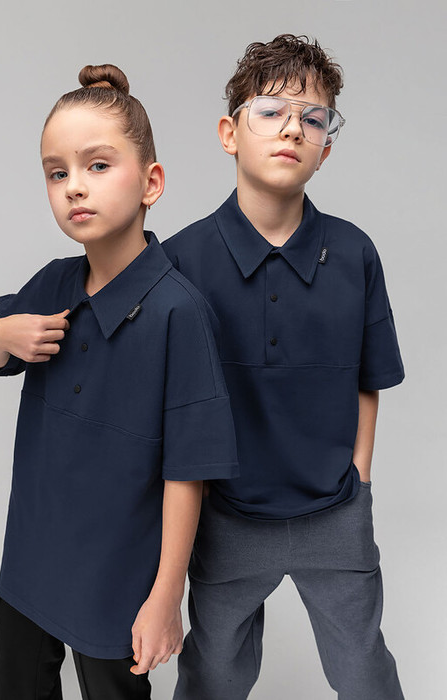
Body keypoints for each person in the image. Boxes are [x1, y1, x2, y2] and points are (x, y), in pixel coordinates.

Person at [0, 64, 238, 700]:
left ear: (152, 183)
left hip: (116, 577)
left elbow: (189, 471)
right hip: (31, 557)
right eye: (56, 172)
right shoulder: (54, 282)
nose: (74, 187)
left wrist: (165, 596)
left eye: (97, 165)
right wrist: (2, 333)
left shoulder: (180, 313)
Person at [161, 35, 405, 699]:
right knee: (212, 675)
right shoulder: (180, 262)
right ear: (229, 133)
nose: (292, 128)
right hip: (227, 517)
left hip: (334, 512)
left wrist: (358, 477)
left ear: (325, 147)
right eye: (270, 112)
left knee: (364, 671)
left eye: (313, 118)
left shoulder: (354, 253)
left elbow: (369, 380)